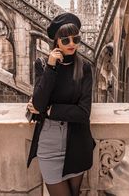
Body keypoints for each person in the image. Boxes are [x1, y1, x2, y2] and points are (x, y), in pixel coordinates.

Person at [27, 12, 95, 196]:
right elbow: (39, 103)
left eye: (76, 39)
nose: (72, 44)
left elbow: (83, 113)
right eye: (65, 40)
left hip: (77, 142)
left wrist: (50, 109)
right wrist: (51, 67)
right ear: (56, 42)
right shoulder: (42, 64)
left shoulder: (85, 68)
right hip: (49, 144)